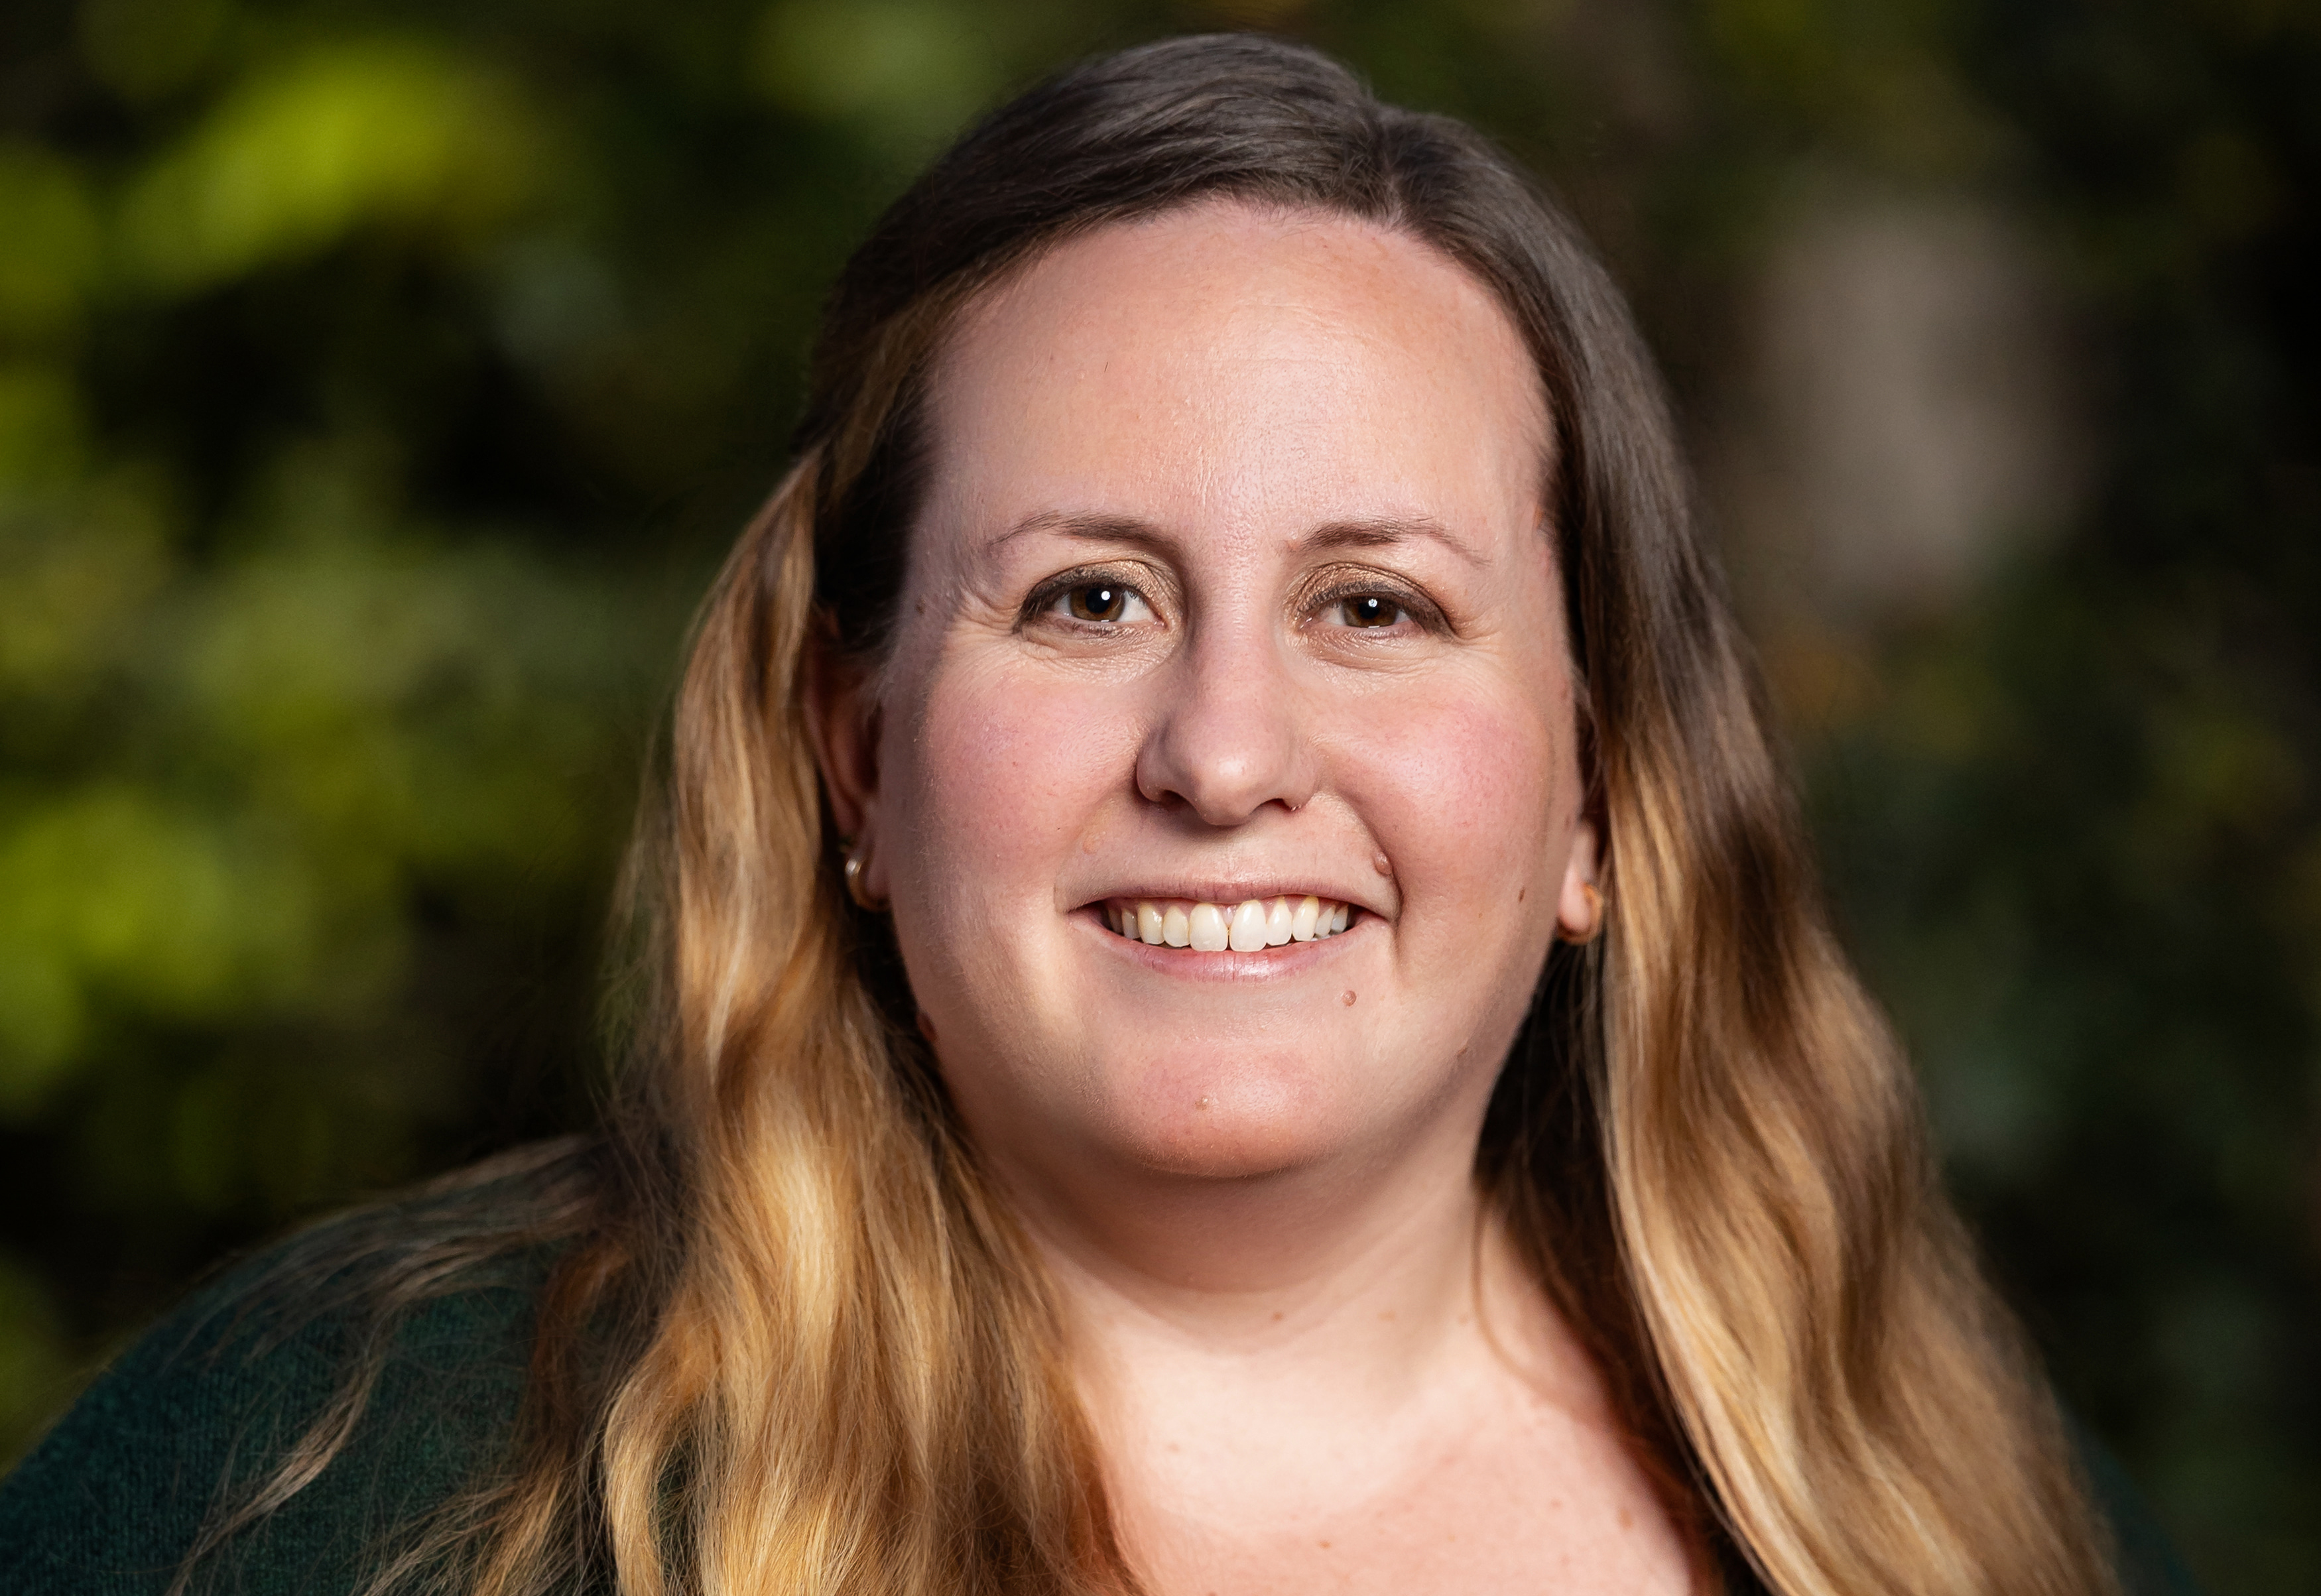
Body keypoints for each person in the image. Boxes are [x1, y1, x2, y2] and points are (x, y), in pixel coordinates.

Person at [0, 32, 2190, 1596]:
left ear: (1605, 792)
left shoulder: (1944, 1507)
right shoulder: (317, 1488)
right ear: (855, 754)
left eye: (1373, 602)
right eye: (1085, 597)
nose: (1222, 755)